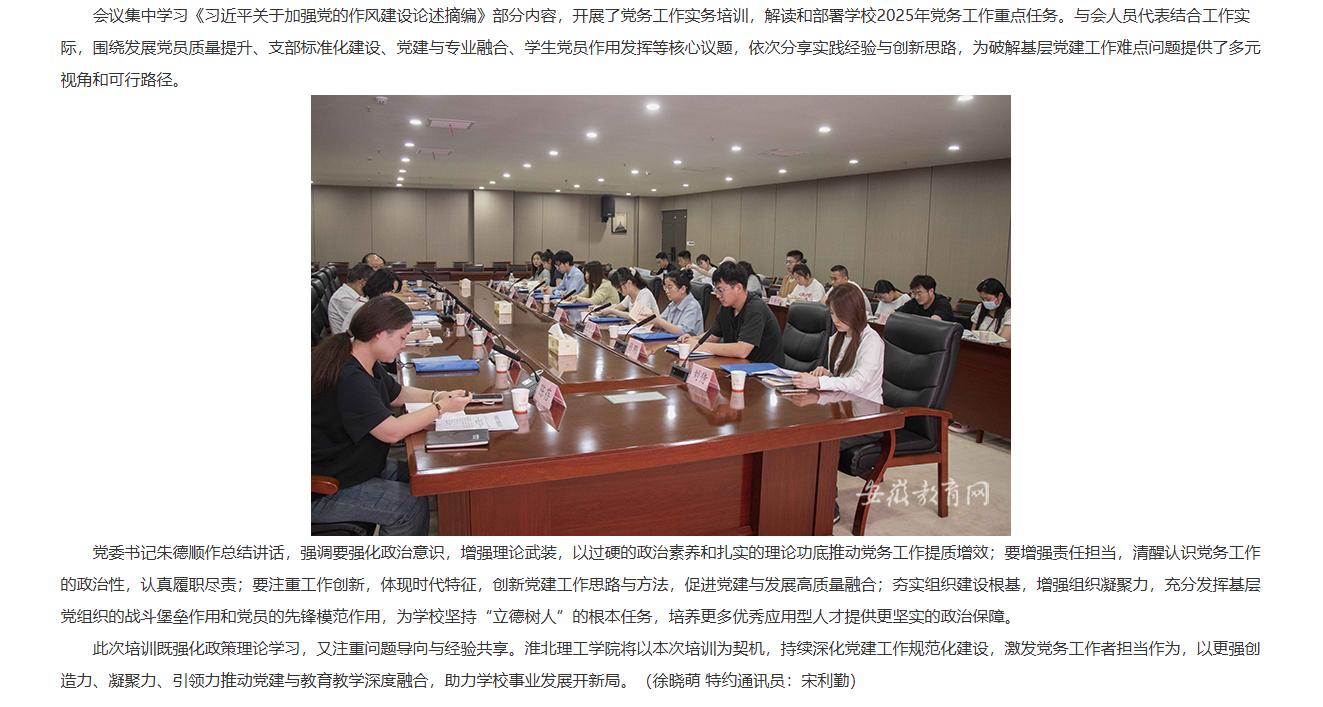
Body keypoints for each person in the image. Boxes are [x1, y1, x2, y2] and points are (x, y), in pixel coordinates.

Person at [312, 296, 472, 535]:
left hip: (348, 463)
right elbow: (391, 431)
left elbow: (397, 394)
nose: (403, 345)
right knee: (408, 508)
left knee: (419, 475)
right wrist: (441, 408)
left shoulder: (363, 358)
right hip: (323, 485)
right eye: (402, 337)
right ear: (379, 334)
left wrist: (437, 395)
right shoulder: (351, 376)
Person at [791, 284, 885, 523]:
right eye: (833, 313)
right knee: (802, 431)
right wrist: (826, 374)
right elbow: (841, 377)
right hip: (843, 411)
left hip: (868, 417)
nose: (836, 320)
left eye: (841, 314)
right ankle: (804, 495)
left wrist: (819, 383)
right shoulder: (837, 337)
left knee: (822, 440)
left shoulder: (871, 341)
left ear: (858, 311)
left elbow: (859, 382)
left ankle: (827, 506)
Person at [678, 261, 784, 365]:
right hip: (740, 365)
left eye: (721, 290)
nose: (718, 295)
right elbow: (713, 336)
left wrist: (699, 346)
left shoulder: (755, 309)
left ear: (738, 288)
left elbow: (742, 350)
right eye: (716, 290)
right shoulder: (726, 306)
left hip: (765, 370)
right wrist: (694, 339)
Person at [653, 268, 705, 337]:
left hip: (686, 342)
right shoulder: (673, 303)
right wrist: (652, 320)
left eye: (670, 288)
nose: (666, 291)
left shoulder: (692, 306)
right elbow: (661, 324)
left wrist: (658, 320)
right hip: (671, 340)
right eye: (665, 287)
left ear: (683, 289)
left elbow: (681, 332)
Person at [328, 263, 372, 334]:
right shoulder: (343, 299)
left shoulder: (354, 294)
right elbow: (366, 321)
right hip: (346, 339)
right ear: (363, 282)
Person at [971, 277, 1012, 343]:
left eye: (988, 299)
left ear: (1000, 296)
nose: (985, 302)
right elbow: (973, 332)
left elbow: (1004, 341)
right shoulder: (980, 308)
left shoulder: (1010, 312)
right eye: (982, 299)